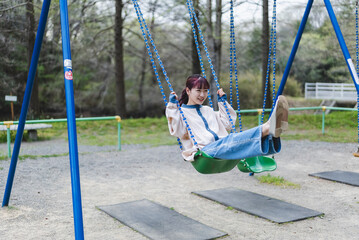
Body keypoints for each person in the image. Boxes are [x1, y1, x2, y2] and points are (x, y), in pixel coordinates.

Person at [166, 74, 289, 161]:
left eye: (205, 90)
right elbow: (178, 131)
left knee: (233, 141)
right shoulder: (181, 113)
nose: (202, 95)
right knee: (232, 141)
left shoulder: (208, 110)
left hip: (222, 145)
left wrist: (223, 104)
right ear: (188, 90)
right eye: (198, 90)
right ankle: (267, 128)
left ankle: (272, 135)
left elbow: (227, 124)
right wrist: (172, 107)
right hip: (204, 153)